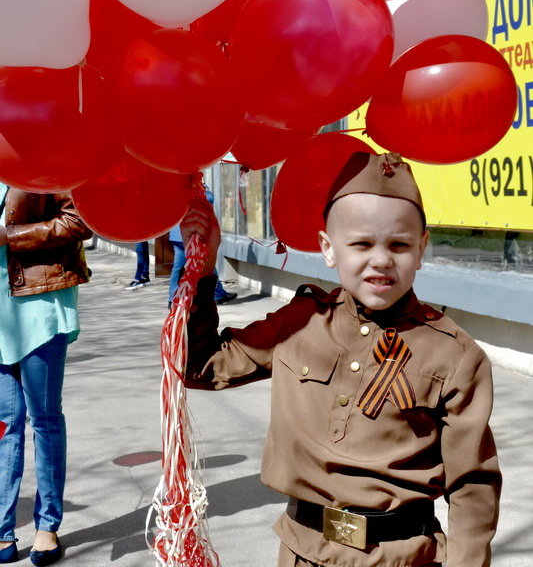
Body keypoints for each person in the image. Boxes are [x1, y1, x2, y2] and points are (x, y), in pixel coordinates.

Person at [181, 152, 501, 567]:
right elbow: (200, 367)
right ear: (328, 249)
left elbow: (473, 485)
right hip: (302, 550)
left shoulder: (454, 354)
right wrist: (203, 274)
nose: (381, 260)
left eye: (400, 244)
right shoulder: (300, 322)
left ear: (421, 249)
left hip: (402, 556)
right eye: (362, 244)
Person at [0, 187, 92, 565]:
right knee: (6, 423)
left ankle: (47, 525)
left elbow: (79, 220)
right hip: (1, 316)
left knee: (44, 420)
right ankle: (3, 529)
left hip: (40, 305)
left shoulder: (40, 155)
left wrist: (9, 237)